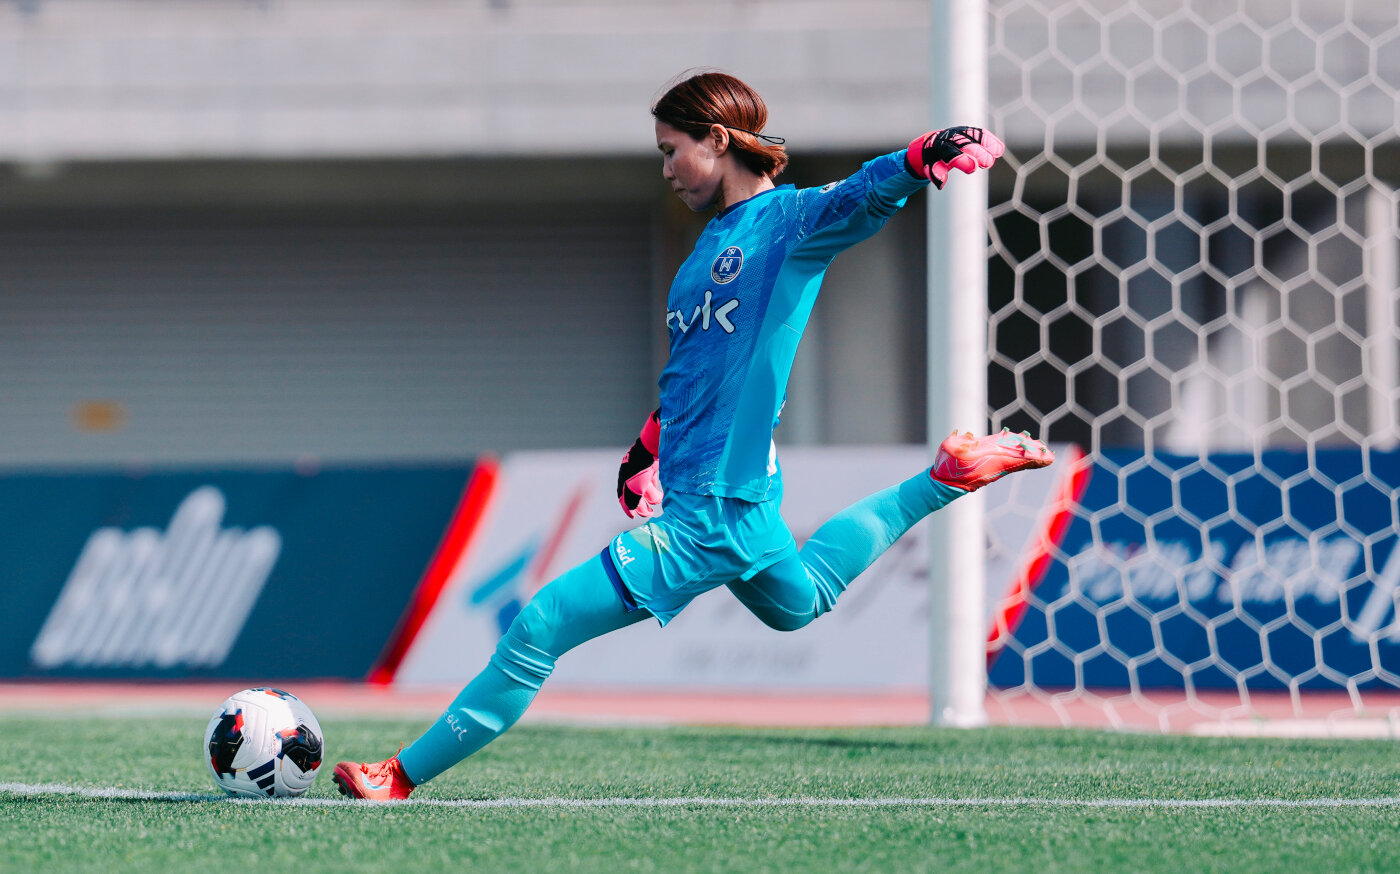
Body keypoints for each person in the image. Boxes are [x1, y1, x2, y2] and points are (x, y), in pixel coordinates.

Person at [332, 70, 1052, 800]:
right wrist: (649, 447)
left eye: (671, 150)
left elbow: (860, 195)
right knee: (801, 601)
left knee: (540, 623)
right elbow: (694, 372)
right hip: (737, 500)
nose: (667, 169)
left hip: (710, 511)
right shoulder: (705, 249)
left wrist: (921, 155)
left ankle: (399, 776)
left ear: (717, 139)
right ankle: (945, 479)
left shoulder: (788, 222)